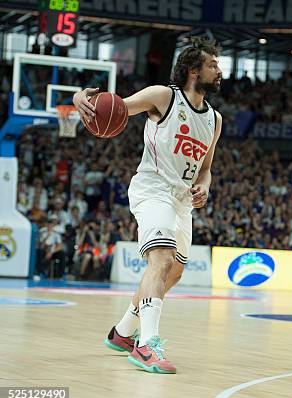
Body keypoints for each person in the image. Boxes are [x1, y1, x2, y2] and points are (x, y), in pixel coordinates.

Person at [73, 38, 223, 374]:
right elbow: (113, 107)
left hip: (183, 200)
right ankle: (146, 345)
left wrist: (204, 187)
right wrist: (78, 97)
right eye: (213, 64)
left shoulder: (215, 119)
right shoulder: (163, 97)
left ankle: (123, 332)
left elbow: (207, 168)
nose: (220, 69)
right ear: (193, 70)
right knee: (162, 259)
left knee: (176, 271)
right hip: (153, 188)